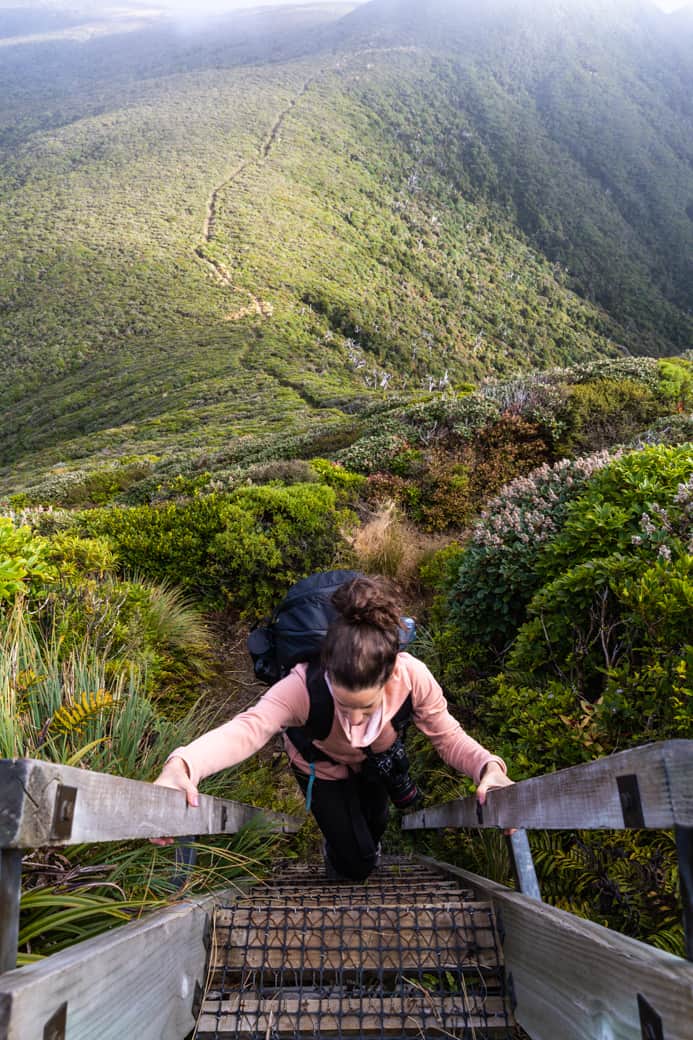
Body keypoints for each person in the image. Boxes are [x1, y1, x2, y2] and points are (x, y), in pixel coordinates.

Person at [153, 575, 512, 880]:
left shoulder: (412, 676)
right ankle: (342, 854)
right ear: (327, 670)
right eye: (344, 705)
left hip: (377, 763)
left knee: (375, 823)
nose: (355, 720)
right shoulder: (300, 686)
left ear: (390, 674)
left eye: (367, 707)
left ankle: (362, 843)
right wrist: (183, 765)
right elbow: (249, 729)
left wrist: (489, 767)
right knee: (357, 865)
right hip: (319, 769)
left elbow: (447, 735)